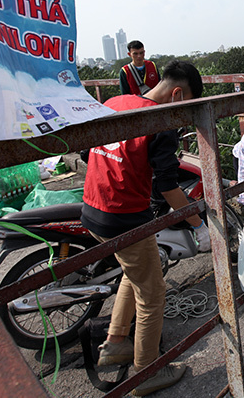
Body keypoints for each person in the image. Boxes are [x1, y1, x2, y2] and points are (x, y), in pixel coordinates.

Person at [81, 60, 208, 397]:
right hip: (123, 217)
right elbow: (167, 185)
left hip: (92, 209)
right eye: (186, 105)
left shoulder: (113, 103)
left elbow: (85, 151)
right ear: (177, 93)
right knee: (153, 295)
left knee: (133, 272)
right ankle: (146, 372)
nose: (182, 115)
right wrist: (199, 225)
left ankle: (116, 342)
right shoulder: (159, 122)